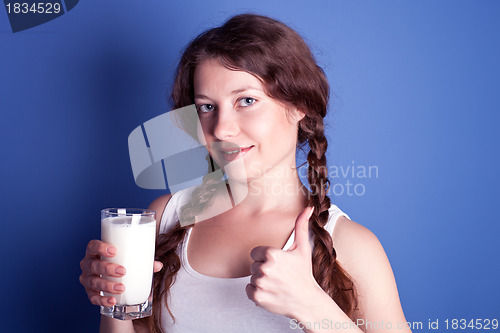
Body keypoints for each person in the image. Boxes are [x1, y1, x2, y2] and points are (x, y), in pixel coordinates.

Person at [80, 13, 412, 333]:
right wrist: (113, 302)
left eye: (246, 101)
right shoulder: (164, 219)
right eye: (206, 107)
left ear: (300, 105)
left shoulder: (352, 246)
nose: (222, 129)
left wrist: (313, 307)